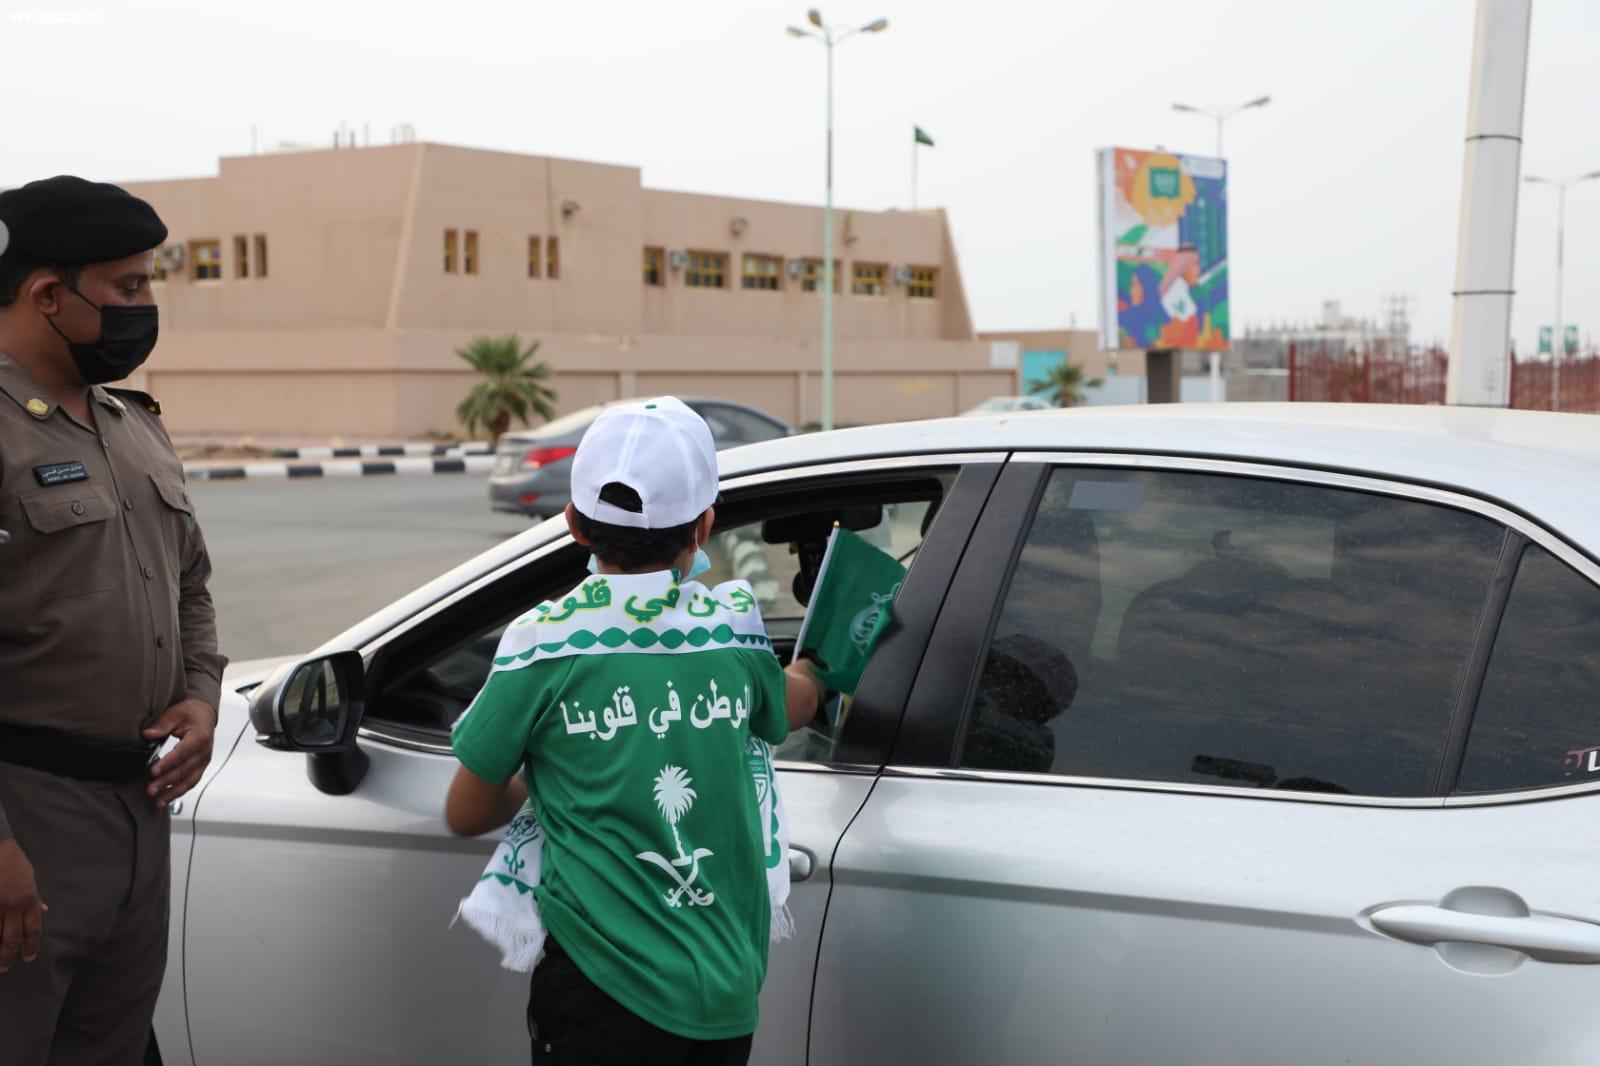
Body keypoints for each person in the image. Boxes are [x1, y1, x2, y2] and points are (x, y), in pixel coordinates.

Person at [445, 396, 822, 1065]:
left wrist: (547, 773)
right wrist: (823, 669)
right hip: (726, 994)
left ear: (573, 525)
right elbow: (788, 704)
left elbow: (467, 810)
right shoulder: (731, 628)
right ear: (704, 527)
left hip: (596, 993)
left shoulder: (543, 645)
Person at [0, 176, 226, 1066]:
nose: (146, 306)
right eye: (127, 288)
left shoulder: (134, 426)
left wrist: (202, 696)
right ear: (49, 295)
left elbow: (194, 587)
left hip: (137, 811)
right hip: (28, 816)